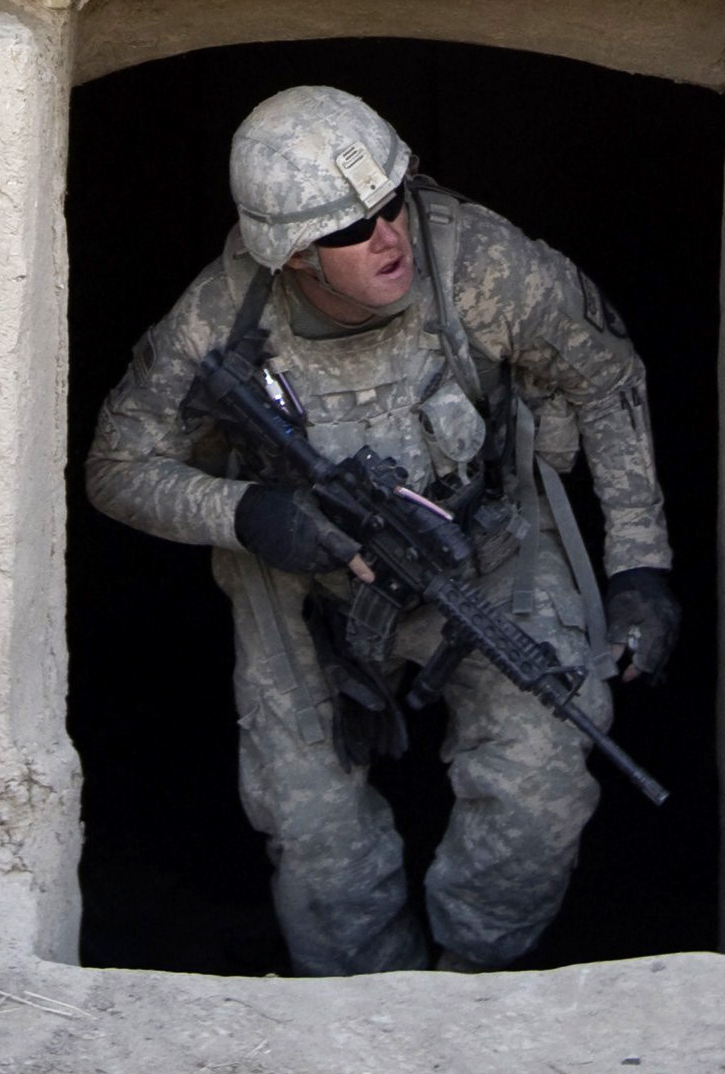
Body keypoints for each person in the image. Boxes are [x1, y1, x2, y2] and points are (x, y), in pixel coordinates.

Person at [86, 84, 685, 975]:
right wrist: (247, 512)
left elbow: (606, 375)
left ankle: (471, 981)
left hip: (479, 551)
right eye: (350, 228)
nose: (387, 235)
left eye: (391, 202)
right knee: (313, 826)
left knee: (543, 778)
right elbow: (116, 468)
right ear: (292, 254)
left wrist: (638, 563)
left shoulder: (479, 262)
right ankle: (363, 1008)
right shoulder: (219, 316)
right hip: (300, 579)